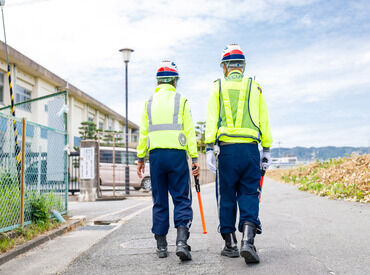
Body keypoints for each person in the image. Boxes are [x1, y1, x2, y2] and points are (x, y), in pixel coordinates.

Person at [205, 44, 272, 264]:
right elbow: (264, 119)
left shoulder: (217, 87)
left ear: (224, 67)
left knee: (226, 196)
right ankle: (248, 241)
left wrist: (208, 147)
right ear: (242, 66)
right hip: (251, 150)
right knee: (249, 193)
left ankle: (230, 244)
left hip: (227, 151)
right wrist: (267, 148)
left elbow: (212, 119)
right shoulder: (256, 87)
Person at [137, 60, 199, 261]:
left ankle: (161, 246)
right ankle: (181, 241)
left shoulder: (149, 102)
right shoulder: (182, 101)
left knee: (159, 200)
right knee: (181, 197)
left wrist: (140, 157)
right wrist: (195, 157)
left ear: (158, 81)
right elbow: (189, 131)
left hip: (156, 156)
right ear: (174, 80)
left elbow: (144, 133)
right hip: (177, 155)